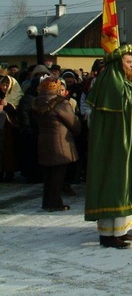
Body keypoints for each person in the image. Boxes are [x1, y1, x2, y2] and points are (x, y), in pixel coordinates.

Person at [84, 45, 132, 249]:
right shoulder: (111, 82)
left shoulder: (121, 81)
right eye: (129, 63)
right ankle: (108, 234)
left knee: (123, 185)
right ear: (118, 63)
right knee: (115, 186)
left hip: (123, 144)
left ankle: (120, 230)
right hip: (115, 147)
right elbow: (128, 107)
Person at [31, 76, 81, 212]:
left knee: (48, 175)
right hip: (60, 143)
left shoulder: (36, 102)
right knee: (58, 175)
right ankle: (55, 203)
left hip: (44, 141)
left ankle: (47, 201)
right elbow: (74, 124)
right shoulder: (61, 103)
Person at [0, 73, 23, 182]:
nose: (4, 87)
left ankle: (9, 173)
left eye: (7, 85)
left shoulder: (17, 95)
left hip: (11, 128)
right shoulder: (1, 96)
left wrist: (7, 105)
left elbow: (17, 111)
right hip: (2, 128)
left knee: (9, 151)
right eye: (3, 84)